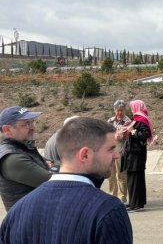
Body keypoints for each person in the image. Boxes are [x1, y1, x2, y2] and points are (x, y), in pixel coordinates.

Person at [0, 117, 133, 243]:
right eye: (111, 149)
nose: (117, 155)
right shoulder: (108, 210)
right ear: (85, 155)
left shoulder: (17, 212)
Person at [0, 106, 51, 211]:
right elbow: (55, 181)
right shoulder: (12, 158)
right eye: (27, 123)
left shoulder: (22, 147)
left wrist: (52, 166)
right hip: (29, 218)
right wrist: (53, 167)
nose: (33, 127)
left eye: (32, 122)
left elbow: (52, 164)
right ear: (7, 130)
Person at [122, 99, 156, 212]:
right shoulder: (137, 119)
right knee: (136, 179)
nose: (132, 109)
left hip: (135, 155)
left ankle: (135, 204)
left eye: (133, 107)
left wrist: (132, 131)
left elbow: (144, 135)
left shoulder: (141, 120)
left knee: (134, 179)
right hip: (135, 154)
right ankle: (136, 202)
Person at [107, 100, 131, 203]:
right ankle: (112, 195)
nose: (120, 112)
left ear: (125, 110)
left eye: (122, 110)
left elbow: (122, 136)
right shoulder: (110, 121)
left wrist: (115, 134)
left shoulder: (128, 121)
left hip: (121, 151)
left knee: (121, 175)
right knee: (111, 174)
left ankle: (122, 197)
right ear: (114, 110)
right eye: (118, 110)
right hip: (109, 151)